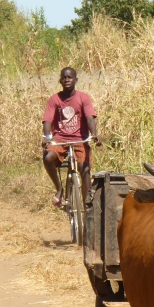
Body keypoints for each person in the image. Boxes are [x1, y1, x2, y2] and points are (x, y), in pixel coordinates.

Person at [42, 67, 101, 206]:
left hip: (80, 140)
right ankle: (59, 189)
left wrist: (94, 134)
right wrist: (47, 137)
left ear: (76, 80)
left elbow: (90, 118)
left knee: (84, 169)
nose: (67, 80)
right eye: (64, 77)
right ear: (60, 81)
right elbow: (47, 120)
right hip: (59, 140)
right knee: (48, 157)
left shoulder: (83, 98)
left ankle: (88, 208)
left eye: (70, 77)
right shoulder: (55, 99)